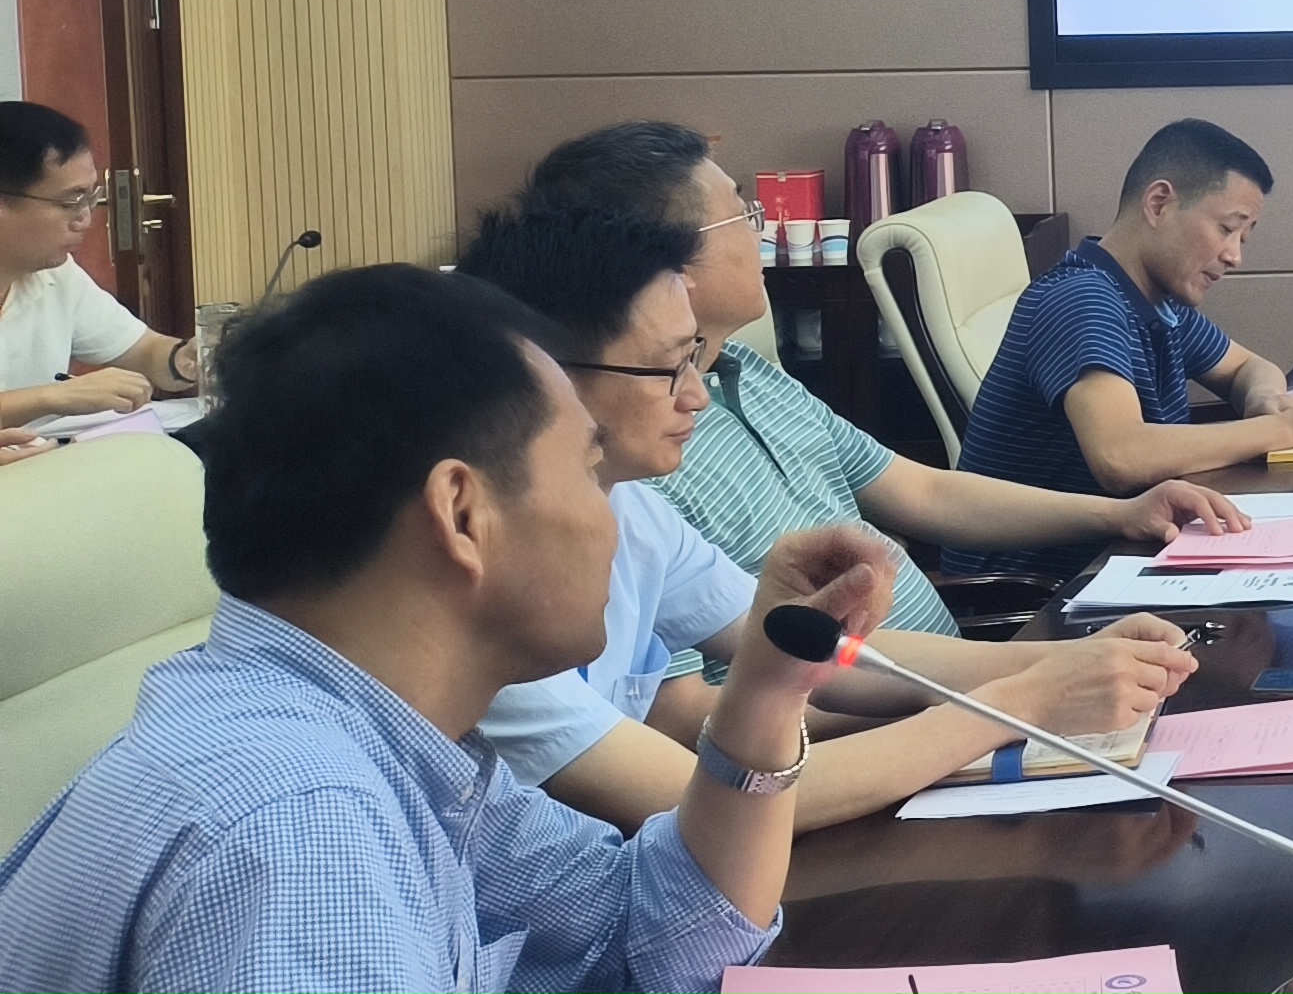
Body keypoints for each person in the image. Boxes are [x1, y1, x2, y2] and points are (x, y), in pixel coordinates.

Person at [0, 263, 893, 992]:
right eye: (588, 473)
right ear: (463, 514)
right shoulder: (302, 829)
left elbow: (651, 931)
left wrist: (768, 689)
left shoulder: (385, 741)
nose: (610, 523)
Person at [459, 203, 1201, 832]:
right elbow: (702, 801)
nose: (696, 396)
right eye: (669, 367)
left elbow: (832, 660)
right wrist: (1021, 700)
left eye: (696, 360)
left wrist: (1064, 663)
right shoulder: (481, 604)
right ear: (544, 374)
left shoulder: (635, 509)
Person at [519, 122, 1258, 638]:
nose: (763, 231)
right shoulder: (637, 462)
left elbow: (925, 492)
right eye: (744, 218)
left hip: (956, 680)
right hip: (890, 721)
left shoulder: (752, 374)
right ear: (665, 262)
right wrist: (1010, 689)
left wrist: (1118, 516)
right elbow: (733, 705)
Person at [950, 119, 1293, 578]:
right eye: (1226, 229)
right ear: (1159, 204)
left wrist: (1264, 399)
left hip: (1121, 556)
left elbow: (1248, 368)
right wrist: (1289, 429)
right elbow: (1121, 456)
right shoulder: (1082, 300)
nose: (1235, 256)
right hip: (1039, 588)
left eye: (1243, 237)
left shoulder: (1156, 302)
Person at [0, 101, 198, 434]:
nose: (85, 220)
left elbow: (143, 349)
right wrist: (55, 397)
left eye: (90, 199)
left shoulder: (57, 275)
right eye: (70, 202)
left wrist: (184, 360)